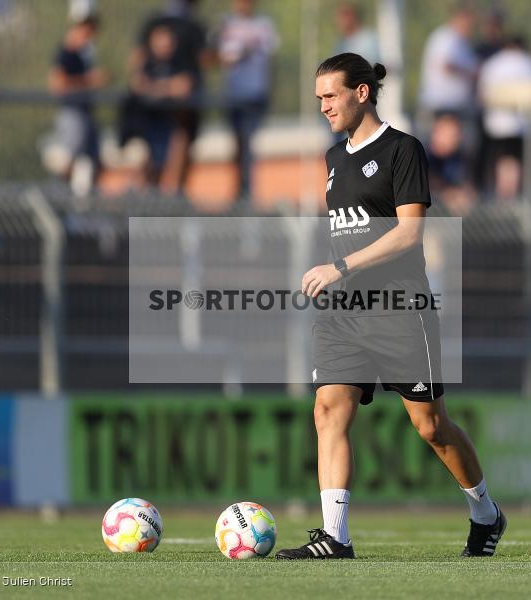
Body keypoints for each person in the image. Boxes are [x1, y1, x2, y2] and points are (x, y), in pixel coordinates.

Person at [275, 53, 506, 560]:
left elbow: (408, 233)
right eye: (319, 99)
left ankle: (486, 513)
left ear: (362, 92)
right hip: (343, 312)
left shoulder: (404, 149)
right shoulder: (333, 158)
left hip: (400, 309)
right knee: (328, 409)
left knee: (430, 426)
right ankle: (335, 537)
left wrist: (341, 266)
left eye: (330, 96)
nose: (324, 107)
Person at [131, 0, 207, 193]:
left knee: (180, 147)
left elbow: (188, 82)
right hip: (155, 114)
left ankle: (174, 200)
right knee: (152, 159)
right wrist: (165, 88)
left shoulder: (194, 27)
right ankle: (147, 201)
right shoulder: (156, 21)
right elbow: (138, 76)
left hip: (182, 111)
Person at [215, 0, 279, 200]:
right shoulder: (226, 24)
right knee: (238, 143)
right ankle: (240, 189)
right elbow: (223, 56)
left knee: (249, 142)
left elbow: (268, 55)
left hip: (255, 94)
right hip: (234, 94)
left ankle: (247, 191)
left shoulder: (263, 25)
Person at [121, 24, 195, 188]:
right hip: (143, 128)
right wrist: (168, 87)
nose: (164, 48)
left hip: (167, 126)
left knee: (172, 155)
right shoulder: (146, 64)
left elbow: (183, 86)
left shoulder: (178, 63)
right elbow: (138, 85)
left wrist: (155, 88)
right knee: (142, 164)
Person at [417, 7, 478, 194]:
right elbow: (446, 65)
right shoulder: (445, 38)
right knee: (439, 150)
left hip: (454, 107)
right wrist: (471, 73)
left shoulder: (461, 42)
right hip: (442, 105)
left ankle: (449, 189)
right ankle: (438, 190)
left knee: (453, 152)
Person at [477, 35, 531, 199]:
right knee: (513, 161)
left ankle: (503, 196)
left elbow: (483, 94)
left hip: (495, 124)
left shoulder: (493, 64)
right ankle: (509, 197)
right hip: (521, 125)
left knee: (502, 161)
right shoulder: (530, 64)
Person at [48, 11, 106, 180]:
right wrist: (89, 80)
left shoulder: (82, 55)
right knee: (68, 161)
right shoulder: (66, 52)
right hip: (72, 115)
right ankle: (56, 196)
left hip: (85, 114)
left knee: (92, 161)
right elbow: (57, 84)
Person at [471, 7, 507, 193]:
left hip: (500, 110)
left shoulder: (503, 49)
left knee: (500, 152)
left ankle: (497, 191)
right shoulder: (479, 49)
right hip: (484, 107)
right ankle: (480, 188)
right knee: (483, 149)